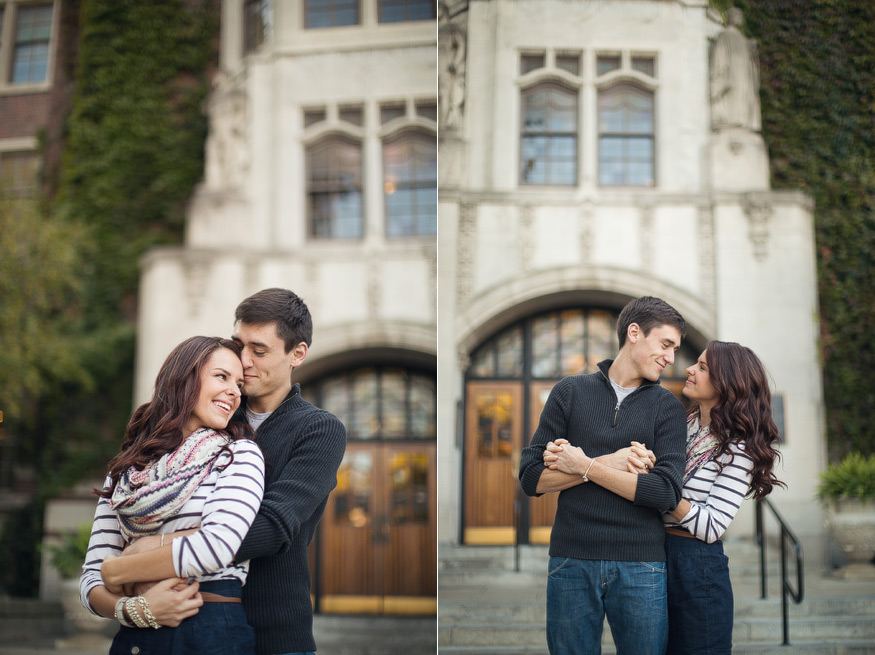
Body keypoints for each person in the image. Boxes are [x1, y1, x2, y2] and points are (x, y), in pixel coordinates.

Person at [133, 288, 347, 655]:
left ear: (298, 354)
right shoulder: (212, 414)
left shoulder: (320, 430)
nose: (243, 360)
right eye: (239, 345)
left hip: (274, 632)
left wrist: (154, 548)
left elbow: (273, 527)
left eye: (259, 350)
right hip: (184, 619)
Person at [519, 296, 688, 655]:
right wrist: (612, 461)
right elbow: (532, 477)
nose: (671, 358)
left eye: (675, 349)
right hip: (571, 558)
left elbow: (665, 493)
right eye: (666, 344)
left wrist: (582, 465)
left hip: (642, 564)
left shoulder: (668, 408)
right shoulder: (569, 392)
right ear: (634, 333)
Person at [79, 336, 266, 655]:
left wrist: (121, 568)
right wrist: (136, 609)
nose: (235, 391)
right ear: (184, 378)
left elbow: (217, 547)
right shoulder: (128, 471)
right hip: (135, 635)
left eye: (239, 383)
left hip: (211, 630)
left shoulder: (238, 455)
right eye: (221, 377)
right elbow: (92, 579)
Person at [657, 341, 783, 654]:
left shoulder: (740, 448)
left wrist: (659, 491)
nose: (688, 369)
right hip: (654, 557)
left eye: (702, 367)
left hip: (697, 568)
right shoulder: (681, 426)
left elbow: (713, 526)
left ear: (726, 382)